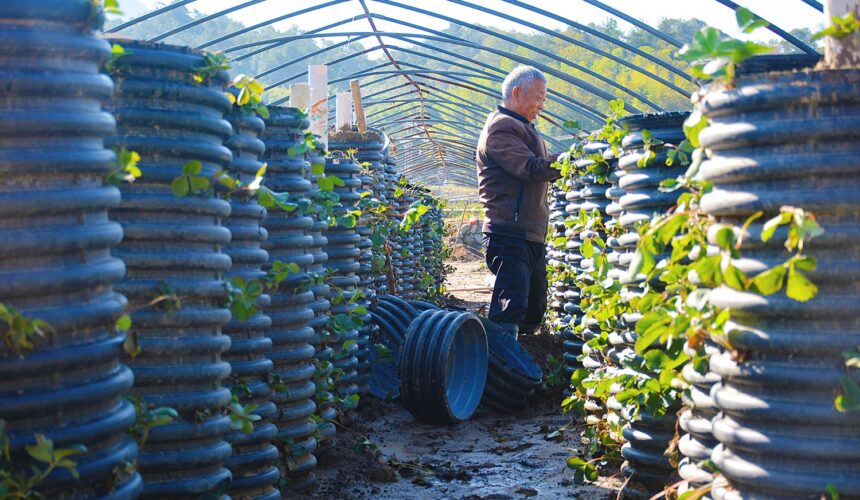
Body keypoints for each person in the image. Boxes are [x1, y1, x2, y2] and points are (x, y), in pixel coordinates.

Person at [475, 65, 561, 338]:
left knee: (534, 307)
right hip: (509, 232)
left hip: (530, 233)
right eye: (538, 97)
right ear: (516, 92)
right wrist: (568, 162)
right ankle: (502, 367)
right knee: (510, 306)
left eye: (544, 99)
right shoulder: (501, 128)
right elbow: (530, 168)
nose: (541, 105)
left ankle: (522, 363)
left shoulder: (524, 127)